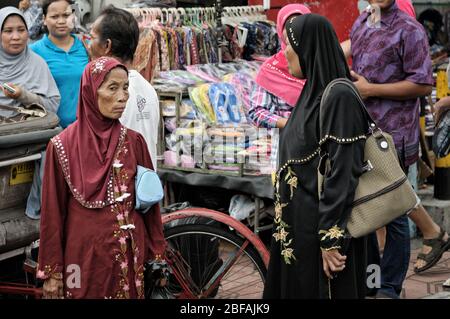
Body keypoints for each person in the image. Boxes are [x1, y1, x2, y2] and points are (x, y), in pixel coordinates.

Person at [37, 57, 167, 299]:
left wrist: (157, 254)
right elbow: (52, 215)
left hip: (130, 257)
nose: (123, 96)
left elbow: (151, 207)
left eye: (126, 87)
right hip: (83, 260)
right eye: (112, 88)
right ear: (90, 91)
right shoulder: (62, 146)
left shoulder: (134, 142)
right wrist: (52, 273)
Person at [264, 14, 368, 299]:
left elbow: (344, 172)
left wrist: (330, 240)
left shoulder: (339, 97)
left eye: (290, 44)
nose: (284, 51)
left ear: (308, 47)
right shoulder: (312, 95)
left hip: (321, 239)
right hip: (299, 234)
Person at [349, 0, 444, 298]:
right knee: (368, 206)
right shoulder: (361, 24)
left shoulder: (410, 29)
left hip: (395, 135)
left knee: (395, 210)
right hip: (362, 130)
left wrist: (371, 89)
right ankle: (372, 281)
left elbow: (423, 84)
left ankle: (390, 286)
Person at [87, 6, 160, 170]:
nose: (88, 45)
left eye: (91, 38)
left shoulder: (107, 92)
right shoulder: (148, 89)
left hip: (120, 189)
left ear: (107, 45)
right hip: (144, 187)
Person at [249, 4, 309, 129]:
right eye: (288, 25)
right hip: (285, 142)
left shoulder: (321, 64)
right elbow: (257, 112)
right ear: (280, 30)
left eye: (300, 24)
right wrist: (289, 124)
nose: (294, 29)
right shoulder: (270, 69)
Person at [31, 0, 89, 129]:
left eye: (66, 15)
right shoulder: (34, 51)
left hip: (86, 128)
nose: (61, 21)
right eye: (54, 16)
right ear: (44, 19)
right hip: (50, 129)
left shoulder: (87, 46)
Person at [0, 6, 60, 118]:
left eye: (21, 30)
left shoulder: (37, 64)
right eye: (8, 31)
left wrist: (23, 95)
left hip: (29, 133)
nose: (16, 37)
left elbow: (53, 106)